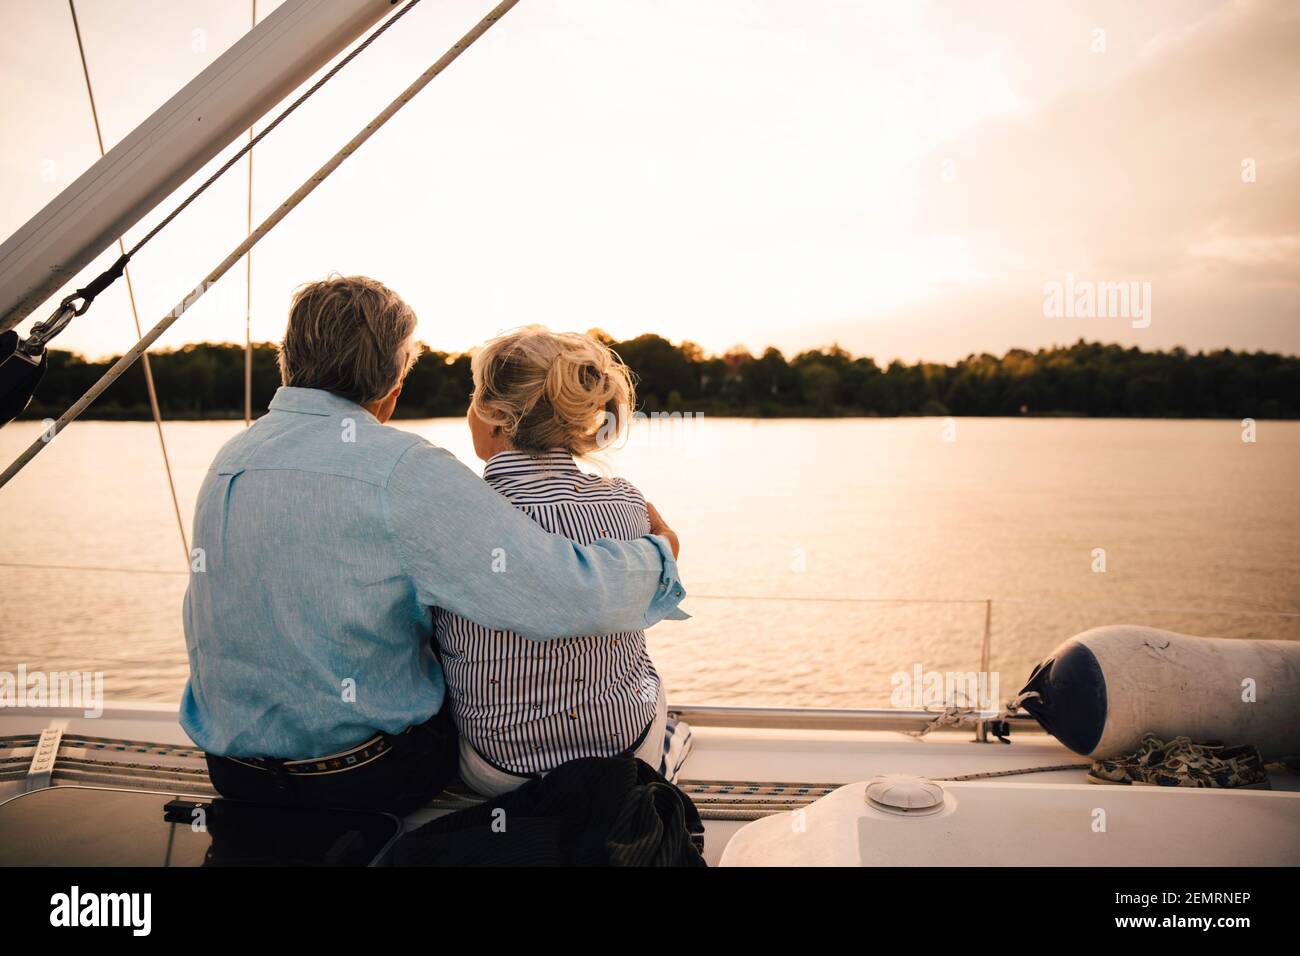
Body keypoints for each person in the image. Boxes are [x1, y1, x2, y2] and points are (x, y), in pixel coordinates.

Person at [180, 276, 685, 815]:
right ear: (393, 384)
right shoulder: (402, 469)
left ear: (289, 360)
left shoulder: (229, 456)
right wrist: (661, 554)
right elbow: (562, 592)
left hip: (233, 773)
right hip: (363, 777)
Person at [438, 326, 687, 797]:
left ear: (492, 415)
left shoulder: (453, 512)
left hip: (500, 770)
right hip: (622, 752)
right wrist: (668, 546)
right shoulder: (627, 504)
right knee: (643, 675)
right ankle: (663, 749)